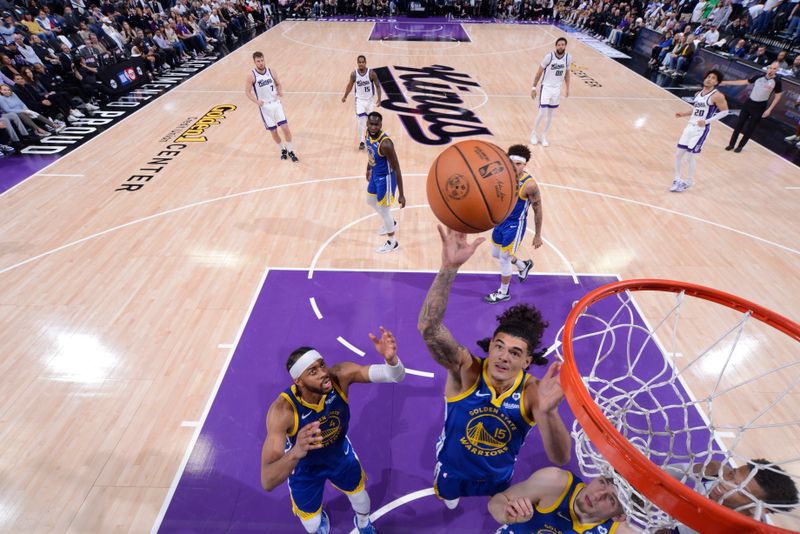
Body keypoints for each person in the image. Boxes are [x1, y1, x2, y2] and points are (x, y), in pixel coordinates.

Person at [417, 227, 571, 510]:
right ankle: (451, 497)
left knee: (496, 507)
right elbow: (429, 328)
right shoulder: (466, 370)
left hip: (498, 476)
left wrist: (549, 413)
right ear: (490, 346)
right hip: (453, 469)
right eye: (498, 346)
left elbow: (560, 458)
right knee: (448, 501)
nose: (503, 356)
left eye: (515, 352)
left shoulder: (534, 392)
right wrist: (449, 268)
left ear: (527, 362)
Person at [260, 327, 406, 534]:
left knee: (362, 500)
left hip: (338, 455)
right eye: (313, 371)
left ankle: (363, 523)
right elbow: (267, 480)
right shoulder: (282, 411)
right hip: (304, 467)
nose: (323, 374)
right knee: (311, 527)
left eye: (322, 365)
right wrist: (295, 451)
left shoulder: (340, 376)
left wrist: (391, 361)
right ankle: (319, 521)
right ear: (298, 381)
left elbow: (395, 376)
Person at [660, 459, 798, 533]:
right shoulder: (715, 471)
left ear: (757, 508)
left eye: (739, 489)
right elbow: (667, 473)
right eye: (732, 474)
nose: (725, 483)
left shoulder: (746, 530)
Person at [488, 467, 639, 533]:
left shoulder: (620, 531)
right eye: (602, 483)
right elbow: (497, 501)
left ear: (618, 516)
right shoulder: (555, 482)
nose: (597, 495)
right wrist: (505, 513)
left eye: (611, 499)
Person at [484, 144, 542, 304]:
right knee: (496, 254)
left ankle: (503, 293)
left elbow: (538, 209)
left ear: (525, 165)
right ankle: (523, 265)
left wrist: (537, 235)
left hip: (514, 226)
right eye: (512, 163)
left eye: (519, 164)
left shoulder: (529, 185)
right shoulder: (501, 177)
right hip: (500, 223)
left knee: (504, 258)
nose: (515, 167)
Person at [671, 69, 729, 192]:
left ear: (717, 82)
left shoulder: (717, 95)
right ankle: (677, 179)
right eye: (708, 76)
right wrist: (683, 114)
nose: (709, 79)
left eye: (713, 78)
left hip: (701, 130)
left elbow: (725, 112)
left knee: (690, 157)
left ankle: (689, 181)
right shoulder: (698, 94)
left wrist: (707, 121)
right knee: (678, 154)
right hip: (690, 126)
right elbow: (696, 109)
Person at [364, 111, 405, 253]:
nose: (373, 127)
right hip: (376, 174)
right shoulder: (367, 134)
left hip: (386, 179)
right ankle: (391, 223)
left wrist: (401, 194)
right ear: (367, 124)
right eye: (371, 124)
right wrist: (368, 168)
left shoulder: (386, 144)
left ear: (381, 125)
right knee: (370, 200)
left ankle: (392, 242)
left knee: (384, 209)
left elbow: (397, 169)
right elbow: (370, 153)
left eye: (376, 124)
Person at [245, 51, 298, 162]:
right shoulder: (251, 75)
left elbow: (278, 83)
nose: (260, 63)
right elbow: (247, 92)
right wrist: (256, 101)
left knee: (285, 129)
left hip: (276, 103)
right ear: (254, 62)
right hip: (265, 107)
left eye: (262, 60)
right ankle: (282, 149)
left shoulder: (271, 71)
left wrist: (280, 91)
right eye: (258, 61)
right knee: (274, 132)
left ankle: (291, 150)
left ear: (264, 60)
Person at [721, 61, 782, 152]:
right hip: (749, 103)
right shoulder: (759, 77)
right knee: (739, 124)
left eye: (774, 69)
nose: (771, 70)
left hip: (760, 106)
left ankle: (740, 146)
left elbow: (778, 96)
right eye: (770, 68)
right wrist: (726, 82)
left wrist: (769, 109)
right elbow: (743, 82)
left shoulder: (777, 81)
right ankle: (731, 144)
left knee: (751, 127)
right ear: (768, 68)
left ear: (777, 70)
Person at [530, 37, 571, 147]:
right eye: (559, 44)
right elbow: (539, 73)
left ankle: (544, 136)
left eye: (563, 44)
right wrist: (533, 88)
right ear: (556, 46)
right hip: (546, 87)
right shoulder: (549, 56)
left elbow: (567, 74)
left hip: (557, 89)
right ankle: (533, 133)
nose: (561, 46)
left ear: (565, 46)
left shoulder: (568, 58)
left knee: (550, 115)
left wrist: (567, 88)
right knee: (542, 111)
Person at [341, 54, 382, 150]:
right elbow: (350, 85)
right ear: (357, 63)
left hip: (369, 100)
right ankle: (361, 141)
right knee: (360, 121)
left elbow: (378, 86)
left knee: (371, 120)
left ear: (365, 63)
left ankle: (371, 137)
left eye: (362, 62)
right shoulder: (354, 74)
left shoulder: (371, 73)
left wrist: (379, 99)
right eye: (359, 62)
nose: (361, 64)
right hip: (359, 100)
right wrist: (345, 96)